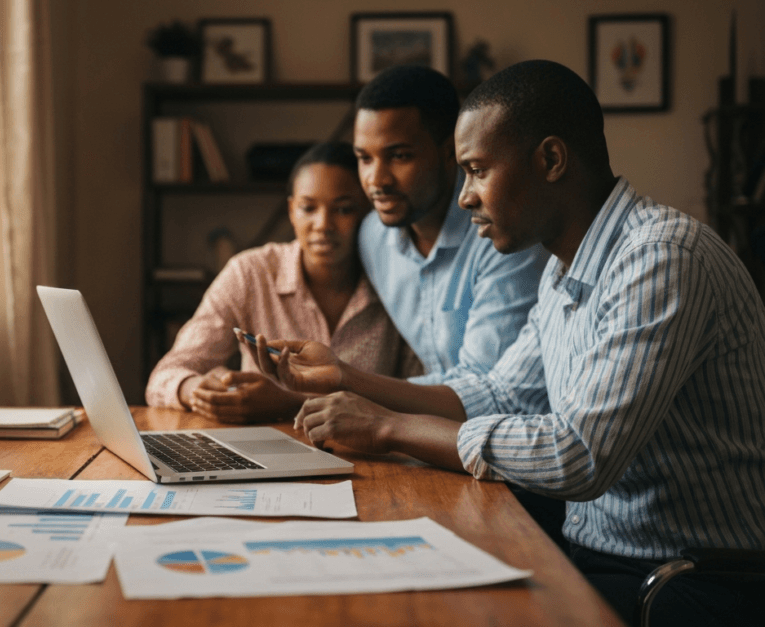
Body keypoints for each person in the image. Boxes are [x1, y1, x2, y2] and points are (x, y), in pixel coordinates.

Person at [245, 60, 765, 626]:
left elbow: (579, 455)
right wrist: (348, 378)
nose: (465, 197)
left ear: (550, 160)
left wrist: (388, 425)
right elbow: (499, 392)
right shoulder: (562, 270)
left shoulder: (662, 256)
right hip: (598, 558)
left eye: (476, 170)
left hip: (688, 581)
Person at [145, 142, 420, 423]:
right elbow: (165, 375)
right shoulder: (250, 273)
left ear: (367, 215)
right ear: (291, 210)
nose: (323, 224)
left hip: (372, 455)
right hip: (262, 452)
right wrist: (199, 392)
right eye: (308, 208)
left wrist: (291, 403)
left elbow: (423, 396)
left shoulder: (396, 281)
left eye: (343, 209)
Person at [352, 65, 548, 384]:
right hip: (429, 426)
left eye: (399, 156)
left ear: (448, 152)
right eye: (364, 158)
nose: (376, 180)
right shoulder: (372, 235)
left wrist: (345, 387)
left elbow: (487, 385)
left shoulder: (503, 236)